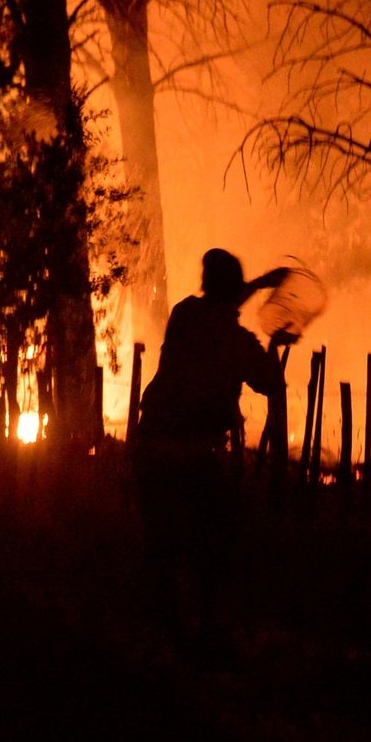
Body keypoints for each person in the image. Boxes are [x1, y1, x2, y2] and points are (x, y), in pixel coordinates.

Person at [131, 248, 293, 658]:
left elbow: (220, 305)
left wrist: (257, 285)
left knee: (162, 545)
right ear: (232, 291)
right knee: (215, 546)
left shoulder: (186, 314)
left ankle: (158, 640)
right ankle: (207, 638)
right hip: (191, 454)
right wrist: (274, 341)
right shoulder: (238, 342)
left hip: (152, 446)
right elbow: (271, 383)